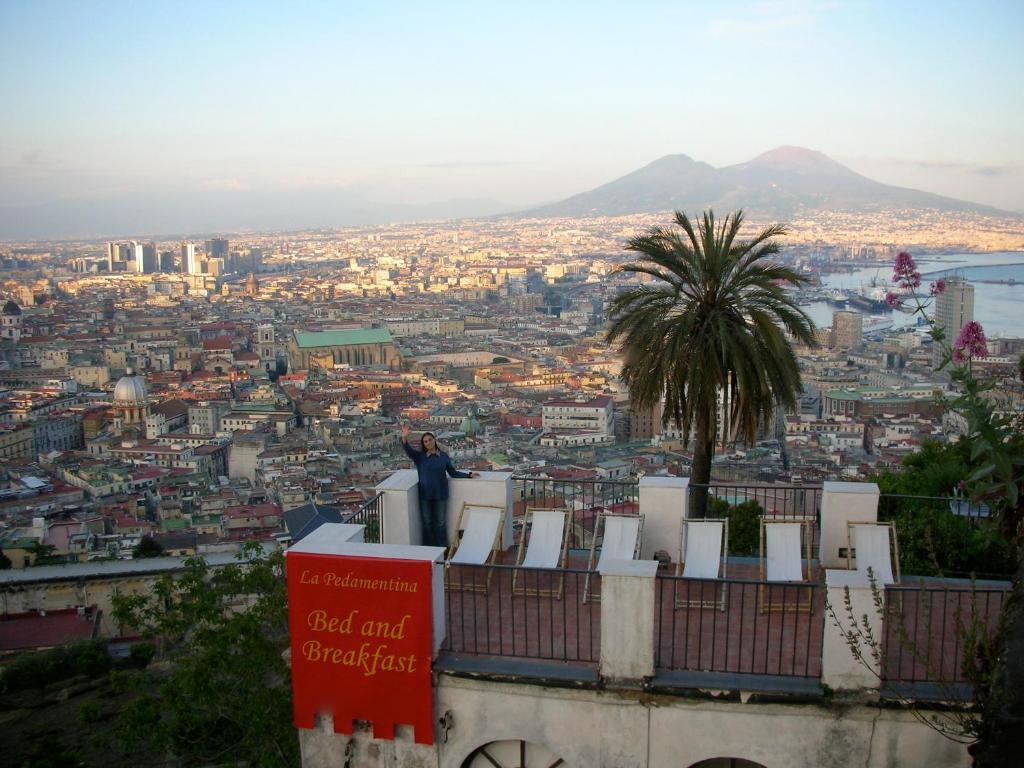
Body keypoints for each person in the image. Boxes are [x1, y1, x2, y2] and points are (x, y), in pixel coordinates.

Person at [400, 423, 479, 547]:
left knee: (441, 523)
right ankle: (430, 549)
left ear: (434, 440)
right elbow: (408, 450)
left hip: (441, 494)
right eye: (425, 441)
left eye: (430, 440)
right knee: (427, 523)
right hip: (425, 495)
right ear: (424, 444)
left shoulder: (443, 457)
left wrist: (468, 475)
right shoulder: (420, 457)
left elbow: (452, 472)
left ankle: (442, 548)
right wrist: (404, 438)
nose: (428, 442)